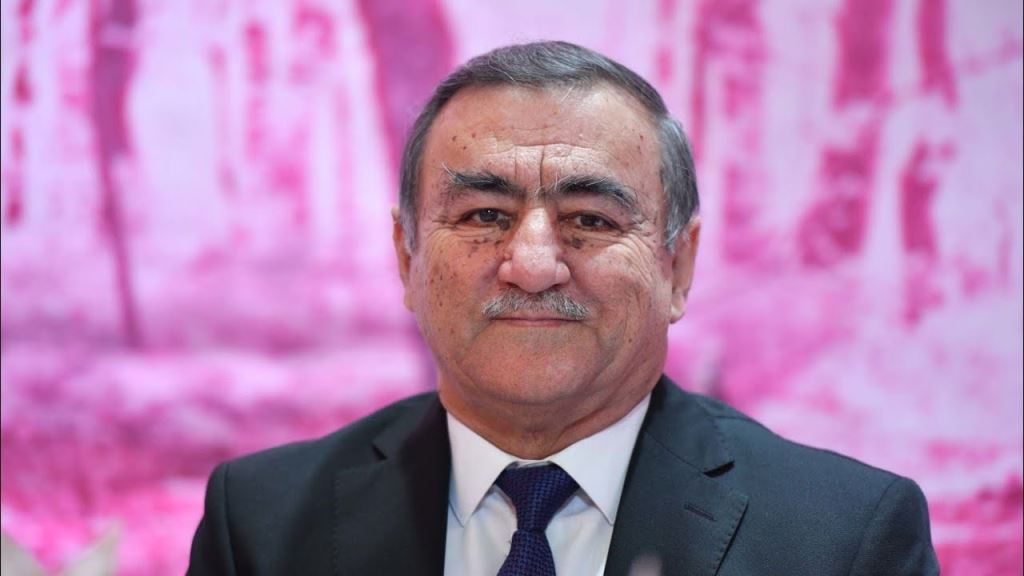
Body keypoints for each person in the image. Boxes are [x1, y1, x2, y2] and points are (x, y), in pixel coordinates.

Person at [187, 41, 939, 575]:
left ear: (677, 265)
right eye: (484, 215)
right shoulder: (261, 525)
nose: (533, 265)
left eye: (591, 219)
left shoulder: (843, 539)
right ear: (407, 257)